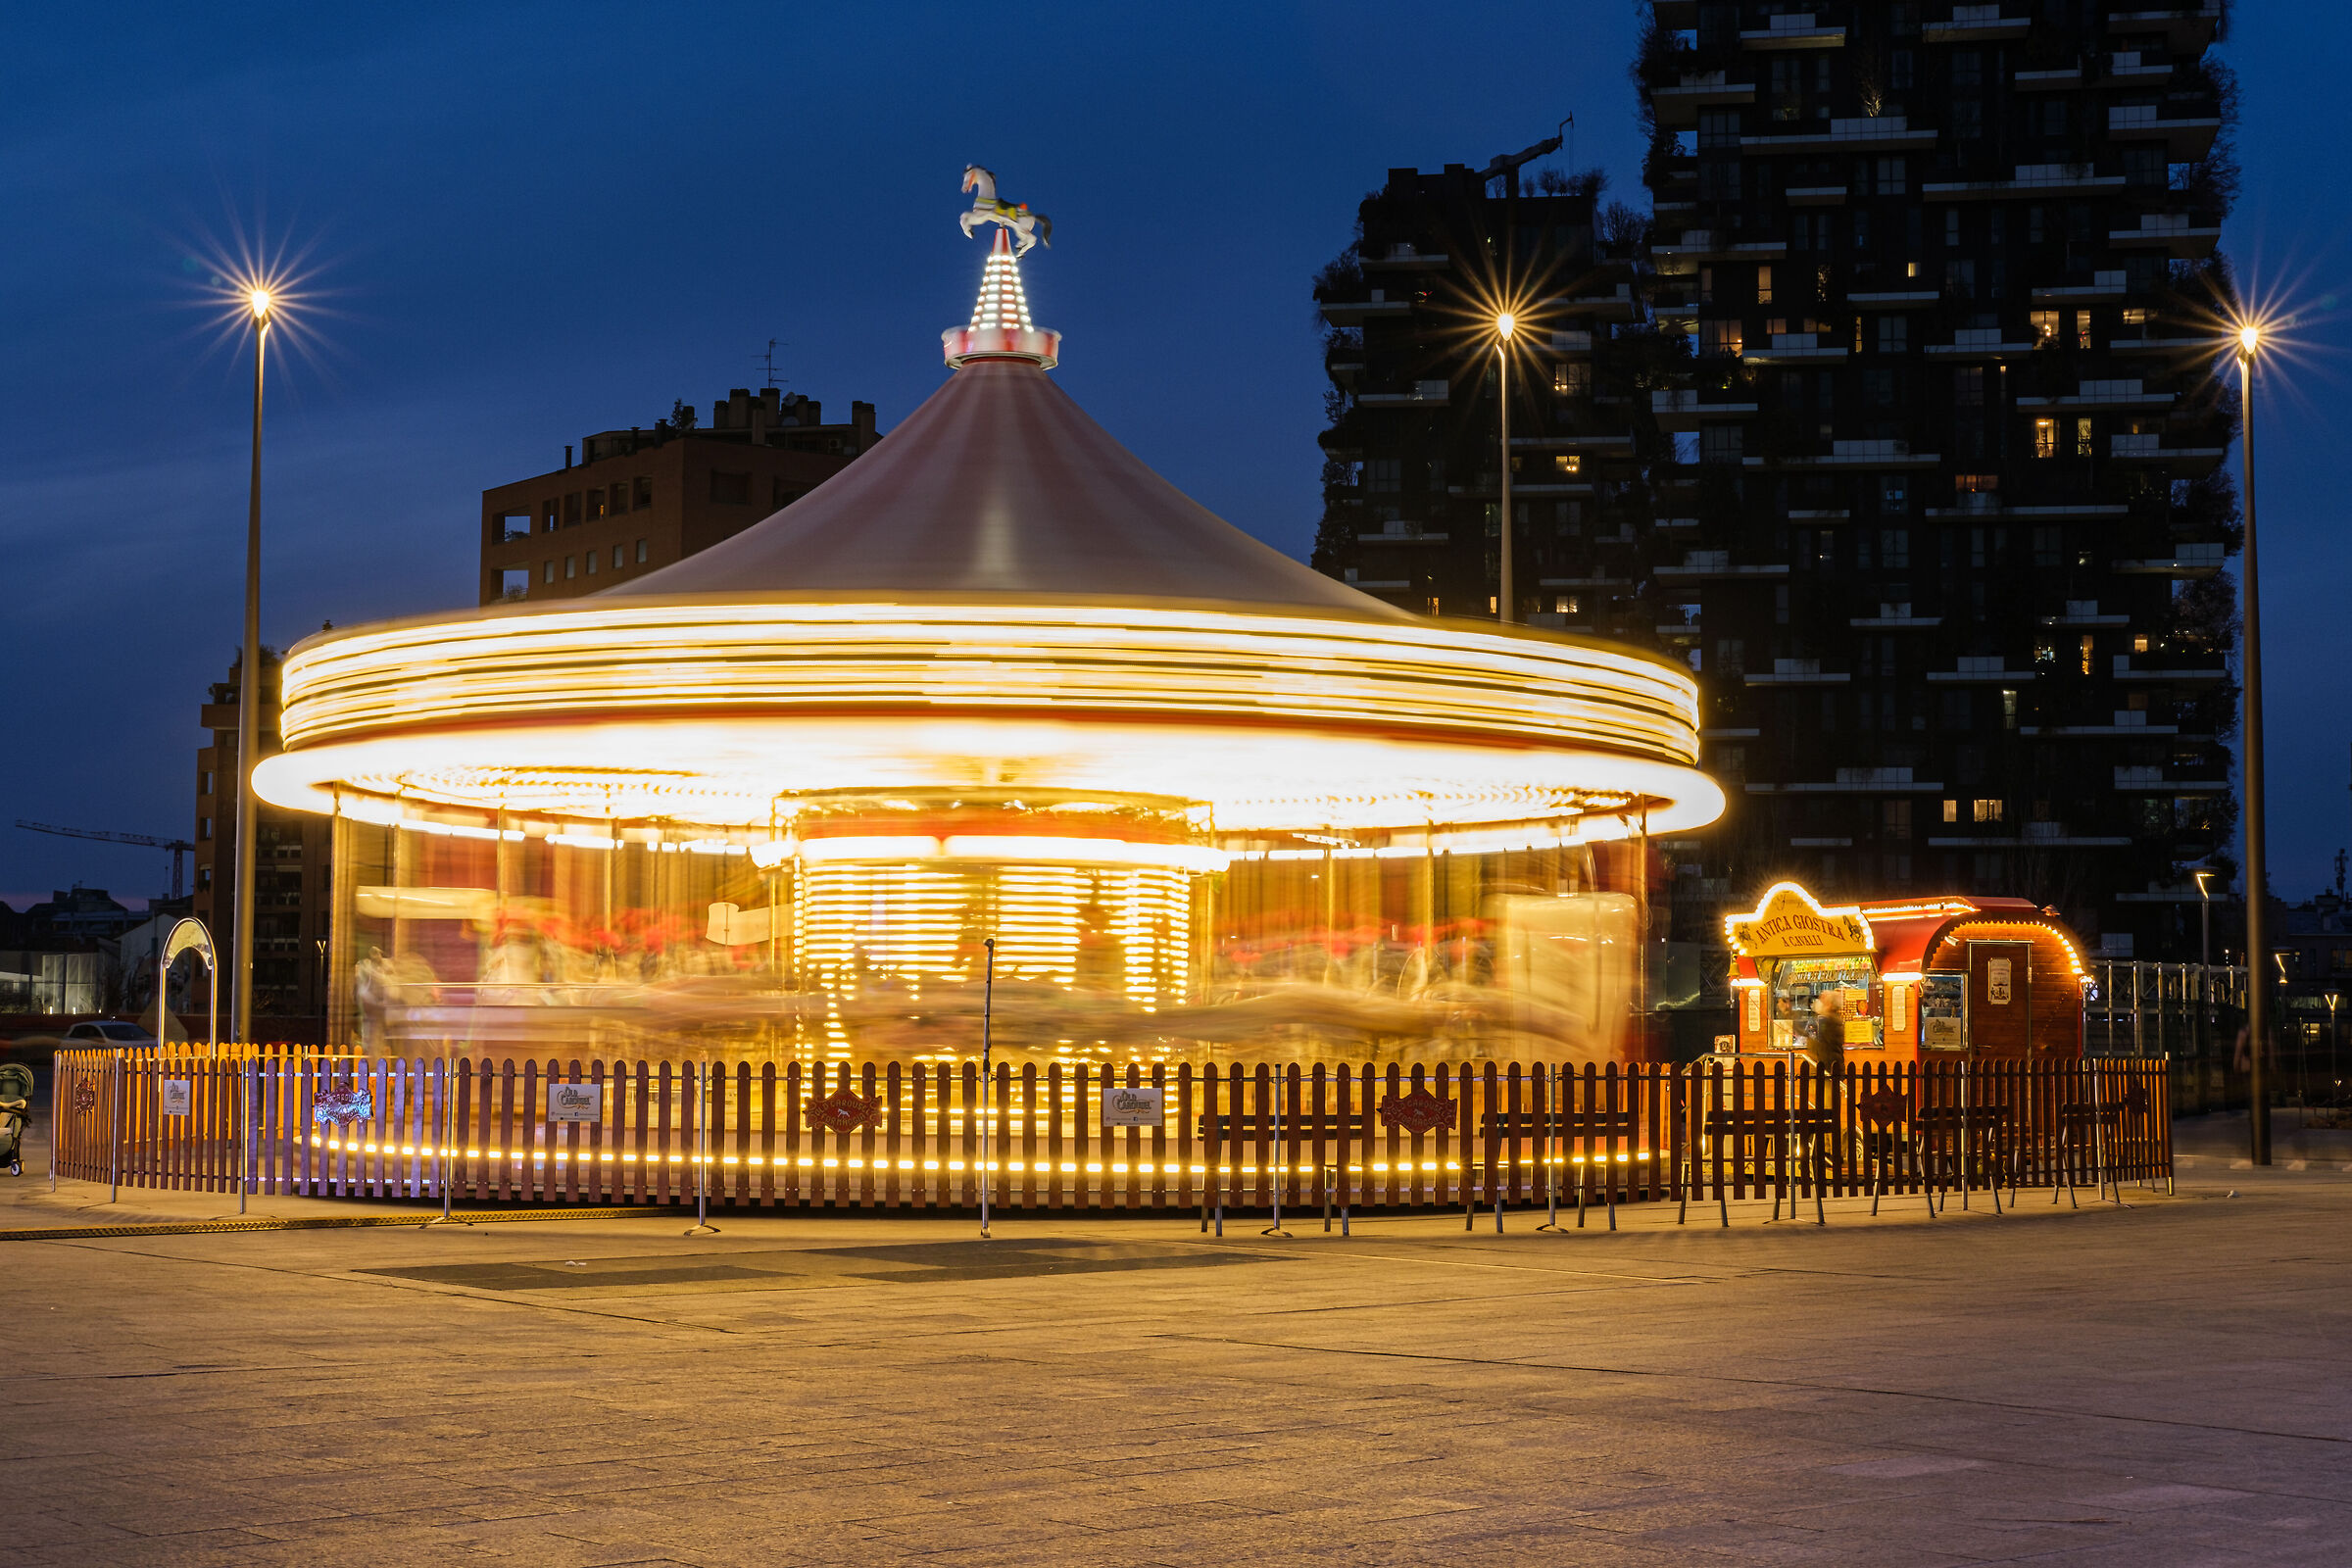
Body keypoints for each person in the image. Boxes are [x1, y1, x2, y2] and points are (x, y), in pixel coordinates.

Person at [1803, 992, 1847, 1082]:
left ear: (1830, 1004)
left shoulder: (1827, 1020)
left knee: (1826, 1094)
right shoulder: (1833, 1019)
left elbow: (1816, 1039)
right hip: (1828, 1067)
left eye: (1823, 1001)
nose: (1819, 1003)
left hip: (1825, 1069)